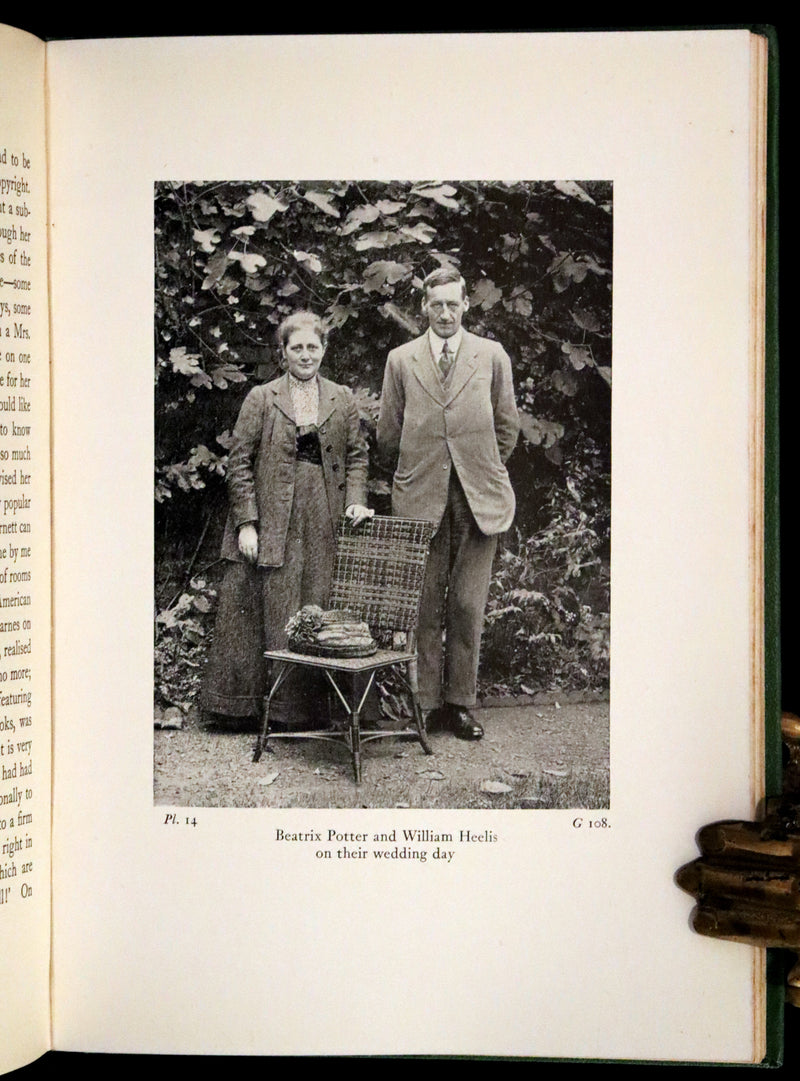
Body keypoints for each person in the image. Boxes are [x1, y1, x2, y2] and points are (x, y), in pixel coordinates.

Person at [201, 311, 370, 726]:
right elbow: (239, 463)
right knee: (277, 608)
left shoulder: (341, 398)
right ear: (283, 353)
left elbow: (356, 457)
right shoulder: (263, 397)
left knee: (317, 605)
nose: (306, 355)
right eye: (297, 348)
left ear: (324, 351)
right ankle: (272, 712)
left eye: (313, 347)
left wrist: (355, 500)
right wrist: (246, 523)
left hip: (324, 519)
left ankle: (317, 711)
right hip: (276, 518)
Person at [377, 268, 520, 740]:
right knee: (422, 606)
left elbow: (507, 427)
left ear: (465, 306)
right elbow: (388, 435)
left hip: (478, 496)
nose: (444, 313)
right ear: (422, 306)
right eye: (435, 304)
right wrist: (420, 470)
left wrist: (478, 466)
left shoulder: (491, 356)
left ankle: (459, 704)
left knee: (465, 602)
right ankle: (424, 705)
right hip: (421, 496)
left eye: (453, 305)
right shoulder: (401, 360)